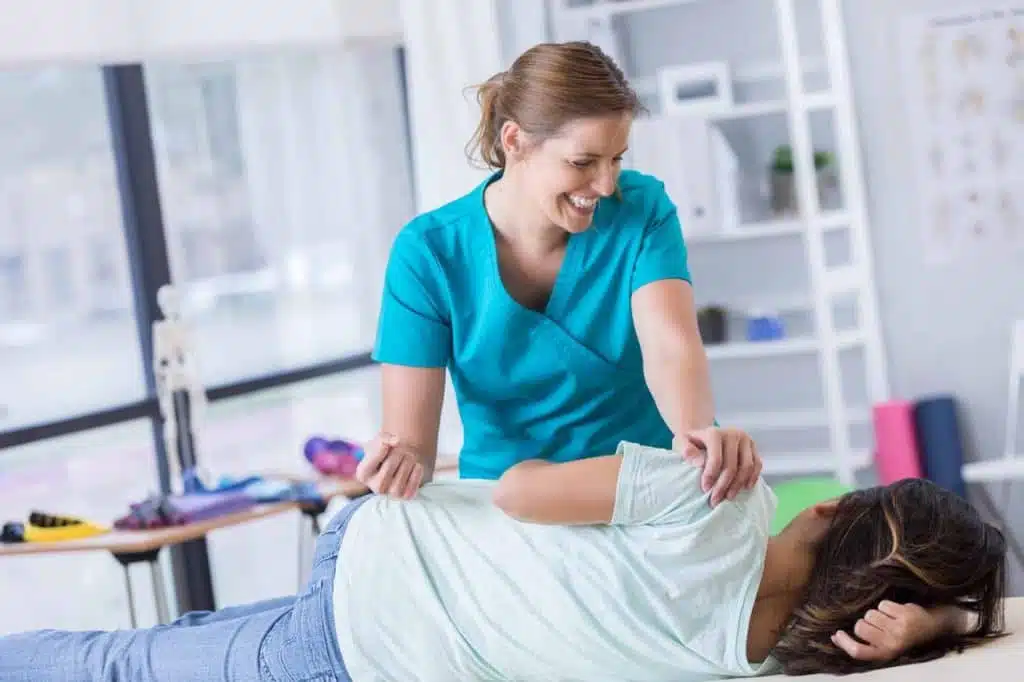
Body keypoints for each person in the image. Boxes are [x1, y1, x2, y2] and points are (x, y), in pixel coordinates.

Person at [0, 442, 1006, 681]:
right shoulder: (769, 661)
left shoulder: (724, 492)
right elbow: (965, 620)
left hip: (384, 578)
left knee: (141, 654)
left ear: (832, 504)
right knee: (124, 665)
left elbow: (521, 488)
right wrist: (936, 624)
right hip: (377, 627)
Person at [357, 40, 761, 507]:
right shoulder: (427, 253)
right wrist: (398, 463)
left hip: (642, 490)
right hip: (511, 508)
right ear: (514, 141)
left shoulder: (641, 209)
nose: (606, 185)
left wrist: (696, 435)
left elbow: (671, 346)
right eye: (582, 162)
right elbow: (413, 449)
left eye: (616, 159)